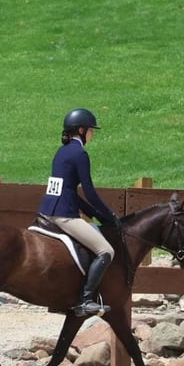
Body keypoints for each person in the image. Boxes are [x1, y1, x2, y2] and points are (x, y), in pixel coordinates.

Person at [37, 107, 120, 317]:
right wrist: (108, 216)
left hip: (48, 210)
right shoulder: (80, 153)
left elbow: (68, 191)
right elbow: (90, 192)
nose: (92, 134)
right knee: (105, 251)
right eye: (91, 130)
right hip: (63, 215)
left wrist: (92, 213)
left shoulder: (61, 152)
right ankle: (85, 300)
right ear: (82, 130)